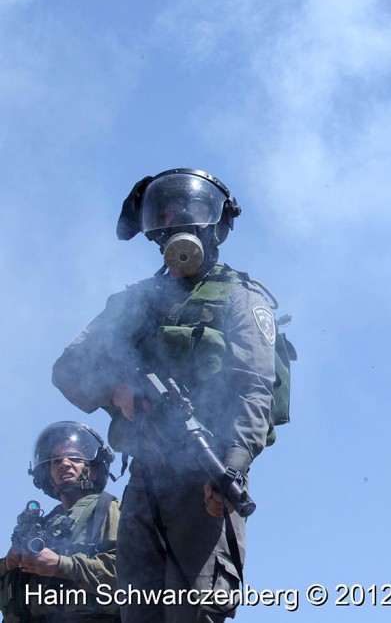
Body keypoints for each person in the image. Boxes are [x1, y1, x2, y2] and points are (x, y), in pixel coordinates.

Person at [51, 168, 278, 623]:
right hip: (144, 482)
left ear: (213, 223)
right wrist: (119, 393)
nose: (175, 221)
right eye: (165, 213)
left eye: (186, 211)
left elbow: (255, 390)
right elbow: (68, 368)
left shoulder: (239, 297)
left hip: (206, 480)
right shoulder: (137, 302)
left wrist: (230, 467)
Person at [0, 421, 120, 623]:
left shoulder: (108, 509)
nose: (64, 463)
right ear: (48, 474)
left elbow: (130, 571)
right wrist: (8, 563)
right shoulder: (42, 525)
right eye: (55, 461)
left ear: (94, 470)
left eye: (74, 458)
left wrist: (60, 565)